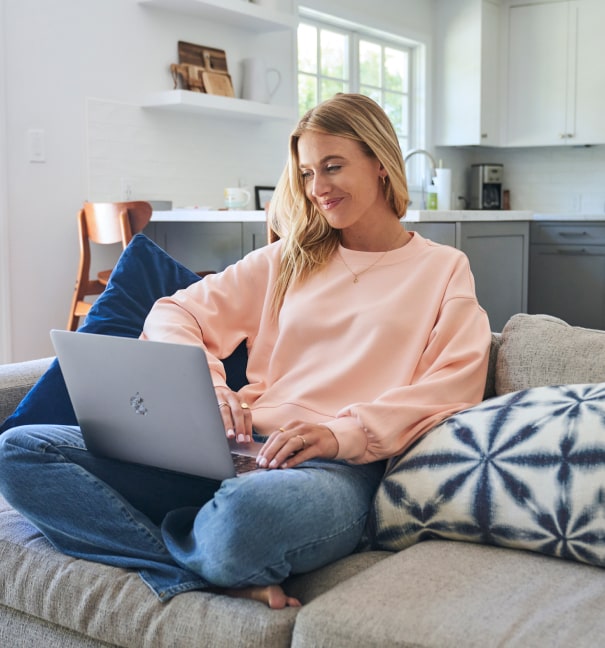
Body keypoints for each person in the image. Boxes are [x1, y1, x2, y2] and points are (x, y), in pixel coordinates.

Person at [0, 93, 491, 609]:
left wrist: (337, 433)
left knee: (240, 520)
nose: (318, 188)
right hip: (232, 449)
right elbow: (173, 312)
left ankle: (206, 542)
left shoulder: (442, 269)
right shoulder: (288, 258)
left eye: (333, 167)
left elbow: (453, 384)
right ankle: (196, 568)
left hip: (333, 472)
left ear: (381, 164)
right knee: (19, 450)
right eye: (305, 173)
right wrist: (210, 387)